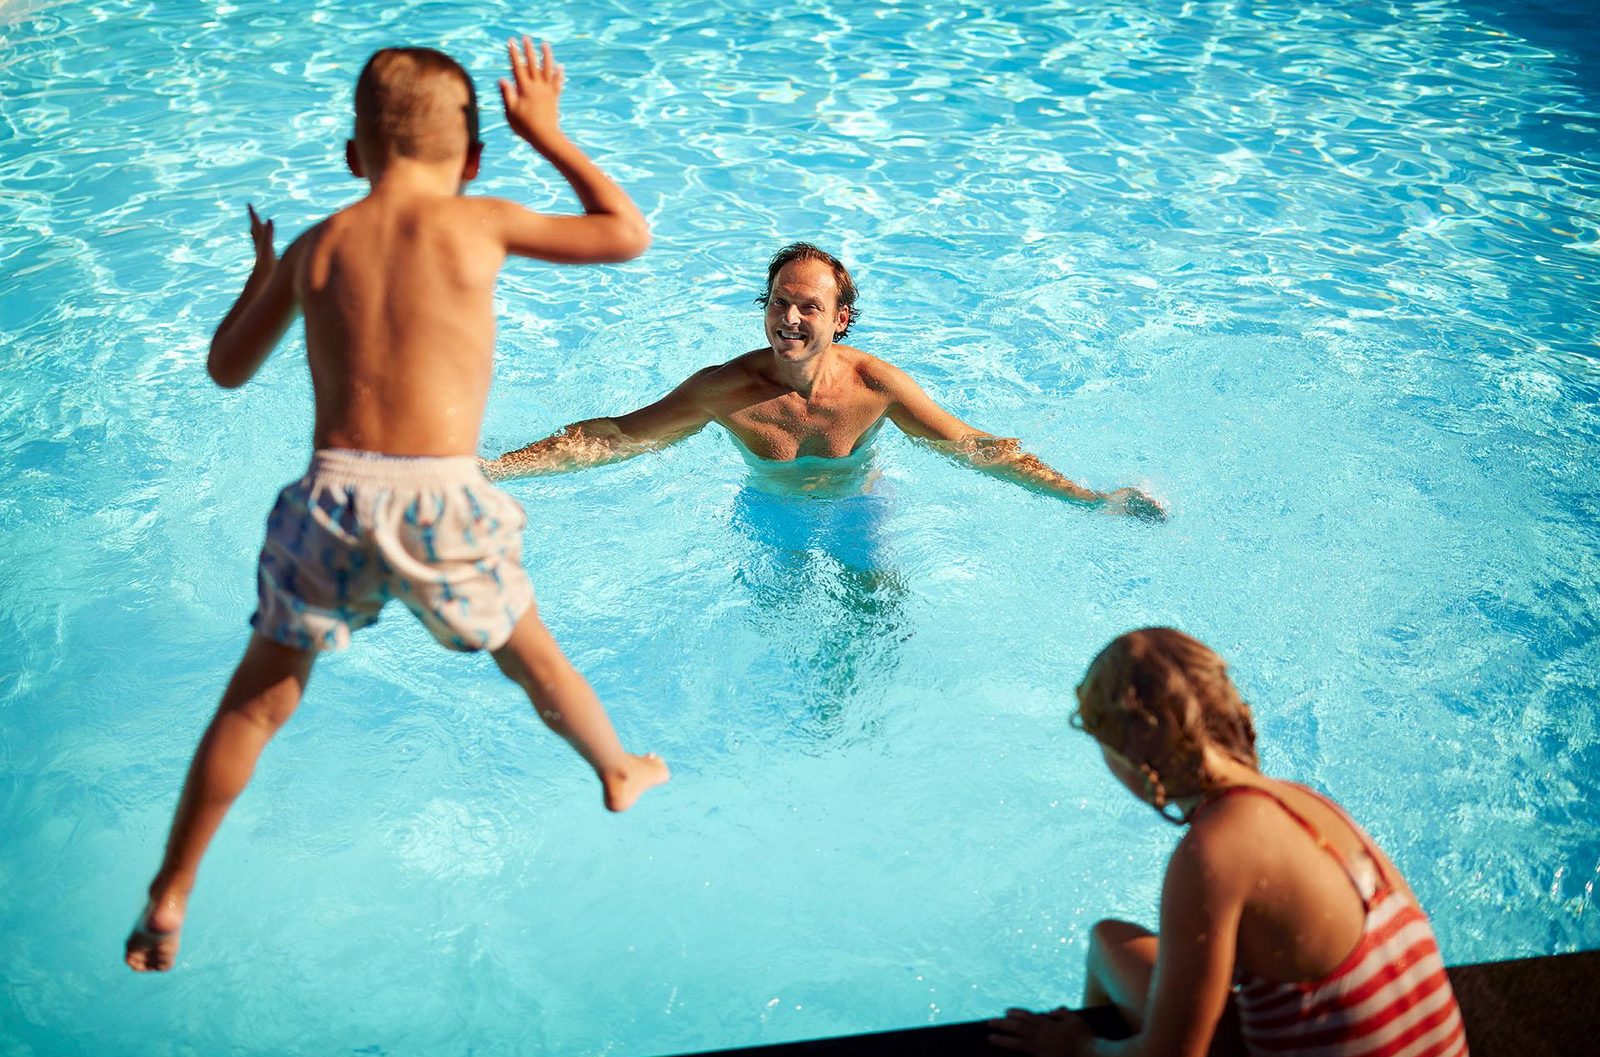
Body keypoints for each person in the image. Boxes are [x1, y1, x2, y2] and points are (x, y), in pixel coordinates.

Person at [124, 39, 670, 974]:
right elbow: (625, 233)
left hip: (332, 496)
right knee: (532, 659)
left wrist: (265, 274)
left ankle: (172, 890)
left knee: (255, 708)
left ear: (351, 157)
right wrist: (550, 133)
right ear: (472, 160)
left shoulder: (318, 244)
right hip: (442, 496)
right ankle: (616, 768)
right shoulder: (480, 221)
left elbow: (225, 370)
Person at [990, 628, 1469, 1057]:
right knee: (1115, 945)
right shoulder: (1303, 801)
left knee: (1104, 949)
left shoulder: (1211, 855)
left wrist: (1077, 1049)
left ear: (1131, 755)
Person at [482, 243, 1166, 520]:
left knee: (873, 615)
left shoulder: (877, 387)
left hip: (857, 508)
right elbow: (616, 437)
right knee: (776, 620)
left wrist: (1088, 498)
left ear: (840, 319)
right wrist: (492, 470)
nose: (789, 317)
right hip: (769, 513)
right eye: (780, 301)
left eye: (809, 306)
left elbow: (975, 447)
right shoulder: (724, 390)